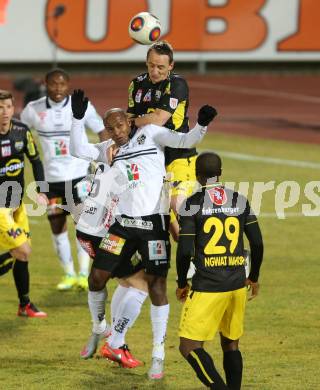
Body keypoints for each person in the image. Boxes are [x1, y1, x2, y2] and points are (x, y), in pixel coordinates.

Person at [69, 89, 217, 378]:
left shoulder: (150, 133)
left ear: (129, 121)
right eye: (110, 127)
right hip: (122, 226)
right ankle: (100, 327)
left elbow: (186, 141)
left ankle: (158, 354)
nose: (116, 131)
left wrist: (201, 123)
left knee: (157, 287)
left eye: (119, 125)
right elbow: (76, 148)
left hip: (153, 226)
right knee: (96, 278)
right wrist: (76, 118)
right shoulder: (108, 148)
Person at [176, 152, 264, 390]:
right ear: (220, 173)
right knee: (230, 343)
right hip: (237, 284)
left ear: (197, 175)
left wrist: (182, 281)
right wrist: (253, 277)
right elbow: (257, 243)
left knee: (189, 346)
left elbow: (184, 251)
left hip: (208, 286)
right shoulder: (240, 200)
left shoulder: (191, 205)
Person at [20, 68, 107, 291]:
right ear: (45, 85)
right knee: (57, 226)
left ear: (67, 85)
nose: (57, 89)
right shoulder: (34, 109)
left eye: (62, 84)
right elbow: (20, 131)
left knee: (84, 226)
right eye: (53, 84)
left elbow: (101, 130)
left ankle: (82, 274)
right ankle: (68, 274)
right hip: (51, 181)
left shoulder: (80, 105)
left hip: (79, 177)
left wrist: (107, 160)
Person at [0, 90, 48, 317]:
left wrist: (42, 190)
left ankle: (24, 304)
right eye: (0, 108)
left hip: (17, 205)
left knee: (24, 256)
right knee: (22, 250)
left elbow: (35, 160)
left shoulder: (21, 131)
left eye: (8, 107)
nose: (4, 113)